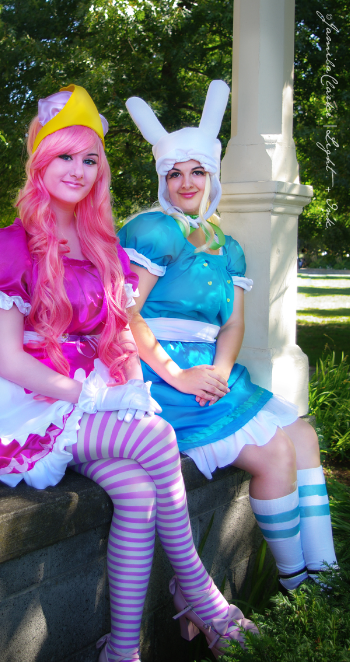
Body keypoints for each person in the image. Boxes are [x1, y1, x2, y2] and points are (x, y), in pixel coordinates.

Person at [0, 85, 257, 662]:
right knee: (156, 438)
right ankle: (202, 597)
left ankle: (122, 650)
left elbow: (118, 334)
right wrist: (96, 398)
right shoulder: (8, 246)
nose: (77, 169)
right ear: (40, 163)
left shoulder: (105, 248)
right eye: (64, 156)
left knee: (137, 494)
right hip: (20, 397)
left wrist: (129, 384)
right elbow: (9, 360)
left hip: (84, 392)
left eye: (90, 159)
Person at [118, 80, 337, 596]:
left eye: (197, 171)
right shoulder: (152, 231)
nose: (186, 182)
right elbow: (123, 313)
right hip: (159, 372)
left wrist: (218, 371)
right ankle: (299, 589)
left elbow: (233, 324)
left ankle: (326, 574)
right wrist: (179, 375)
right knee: (275, 453)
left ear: (213, 175)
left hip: (211, 368)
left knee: (304, 437)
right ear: (162, 179)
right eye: (174, 173)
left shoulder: (228, 246)